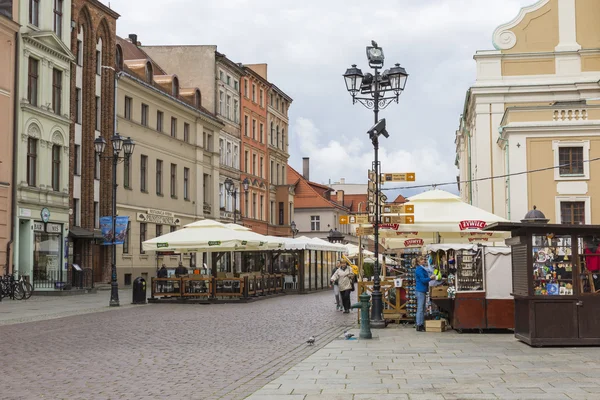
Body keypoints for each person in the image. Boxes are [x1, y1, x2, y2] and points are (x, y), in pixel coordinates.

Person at [415, 256, 436, 332]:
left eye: (424, 259)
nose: (424, 260)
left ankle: (420, 324)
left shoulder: (423, 268)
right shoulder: (419, 269)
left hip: (423, 290)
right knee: (420, 308)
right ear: (419, 262)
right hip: (420, 290)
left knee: (422, 308)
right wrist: (431, 278)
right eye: (422, 260)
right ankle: (419, 325)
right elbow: (423, 280)